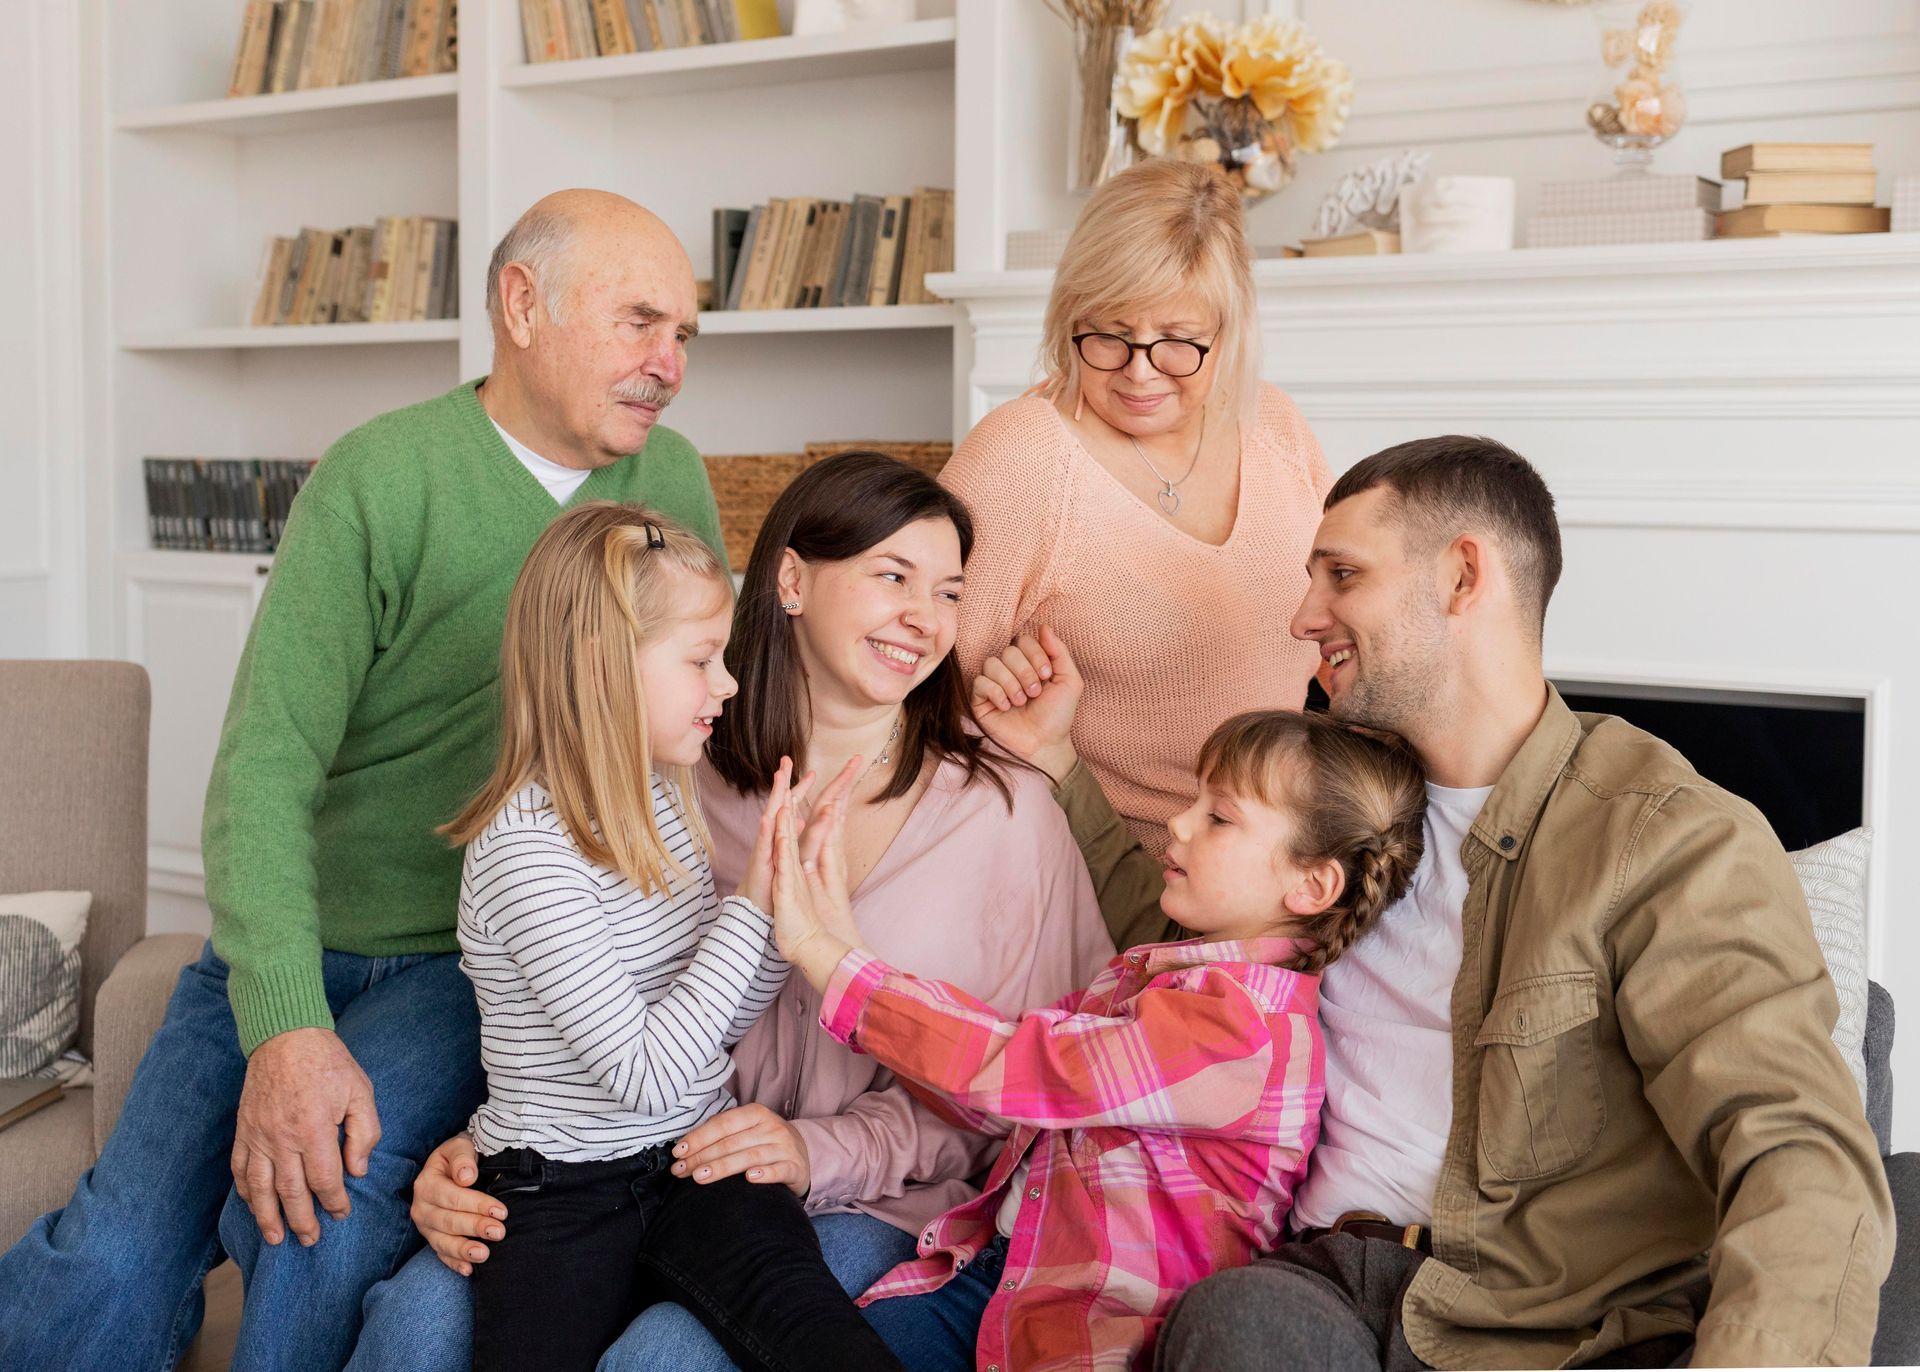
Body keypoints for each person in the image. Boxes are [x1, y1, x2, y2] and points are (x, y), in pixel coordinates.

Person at [973, 435, 1894, 1368]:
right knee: (1234, 1323)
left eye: (1341, 574)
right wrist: (1056, 761)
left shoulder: (1664, 838)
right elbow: (1193, 959)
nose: (1302, 616)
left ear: (1461, 577)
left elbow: (1791, 1146)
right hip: (1322, 1280)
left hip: (1556, 1328)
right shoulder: (1347, 806)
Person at [0, 189, 725, 1372]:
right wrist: (284, 1021)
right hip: (289, 936)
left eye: (686, 334)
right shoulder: (381, 478)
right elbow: (263, 768)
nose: (669, 363)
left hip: (463, 955)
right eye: (643, 321)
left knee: (318, 1208)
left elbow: (703, 728)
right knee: (116, 1260)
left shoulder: (671, 486)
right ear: (522, 303)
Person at [348, 452, 1115, 1372]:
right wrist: (476, 1149)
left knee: (666, 1360)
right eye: (893, 576)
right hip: (635, 1169)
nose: (926, 617)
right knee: (415, 1324)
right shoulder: (668, 772)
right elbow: (575, 1022)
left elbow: (1032, 1087)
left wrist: (814, 1149)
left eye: (950, 592)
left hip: (861, 1198)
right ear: (791, 579)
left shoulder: (1005, 815)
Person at [762, 708, 1425, 1371]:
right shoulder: (1150, 977)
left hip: (1093, 1335)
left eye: (1219, 818)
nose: (1180, 823)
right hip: (998, 1281)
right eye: (1195, 802)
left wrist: (835, 965)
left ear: (1312, 884)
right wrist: (846, 954)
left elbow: (1026, 1068)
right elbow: (1003, 1101)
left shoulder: (1242, 1030)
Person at [444, 503, 899, 1372]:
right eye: (700, 661)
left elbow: (711, 1027)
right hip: (555, 1198)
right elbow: (645, 1074)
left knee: (829, 1344)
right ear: (604, 666)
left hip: (696, 1157)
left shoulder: (663, 798)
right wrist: (753, 901)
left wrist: (786, 907)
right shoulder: (526, 852)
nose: (725, 685)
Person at [942, 157, 1331, 863]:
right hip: (1106, 871)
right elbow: (925, 688)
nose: (1140, 371)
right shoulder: (1022, 456)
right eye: (1109, 335)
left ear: (1230, 326)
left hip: (1278, 869)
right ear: (1069, 316)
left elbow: (1344, 632)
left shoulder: (1273, 423)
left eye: (1179, 341)